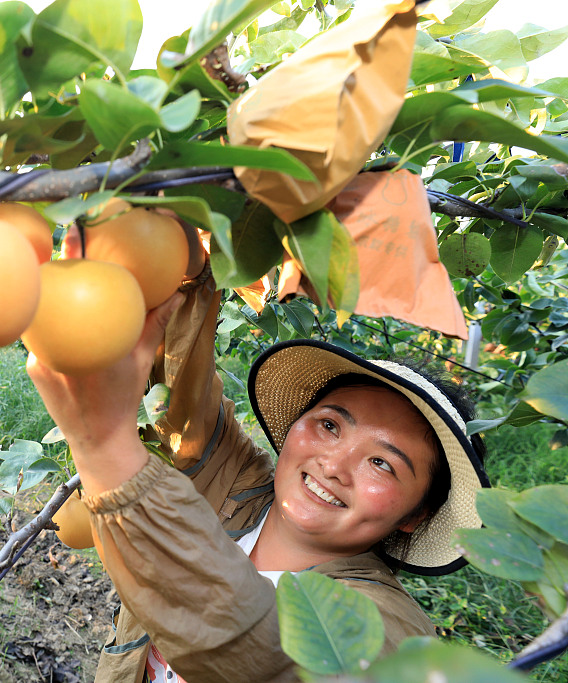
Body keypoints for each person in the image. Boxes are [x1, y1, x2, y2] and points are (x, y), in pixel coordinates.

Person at [26, 231, 490, 683]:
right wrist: (187, 267)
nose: (333, 465)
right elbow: (181, 394)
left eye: (382, 463)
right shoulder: (234, 485)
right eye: (329, 425)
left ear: (416, 515)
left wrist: (105, 448)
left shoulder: (391, 634)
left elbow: (265, 655)